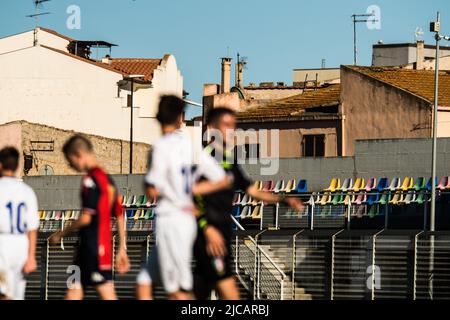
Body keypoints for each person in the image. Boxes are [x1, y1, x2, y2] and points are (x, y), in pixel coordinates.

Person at [193, 107, 304, 300]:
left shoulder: (229, 159)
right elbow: (189, 198)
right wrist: (207, 229)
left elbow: (252, 191)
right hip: (209, 238)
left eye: (233, 126)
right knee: (231, 295)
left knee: (199, 292)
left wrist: (284, 199)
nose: (231, 131)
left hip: (223, 235)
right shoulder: (202, 159)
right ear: (211, 129)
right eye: (226, 125)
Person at [136, 95, 230, 300]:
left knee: (177, 291)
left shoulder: (161, 146)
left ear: (158, 117)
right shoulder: (190, 145)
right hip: (184, 219)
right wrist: (190, 190)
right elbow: (222, 179)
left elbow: (152, 190)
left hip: (171, 219)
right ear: (181, 117)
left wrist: (178, 193)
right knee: (144, 281)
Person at [48, 135, 130, 300]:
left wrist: (61, 233)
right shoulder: (108, 180)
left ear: (78, 154)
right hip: (87, 250)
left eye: (70, 161)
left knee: (106, 293)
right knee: (73, 291)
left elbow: (86, 218)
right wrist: (122, 247)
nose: (71, 166)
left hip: (94, 249)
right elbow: (120, 214)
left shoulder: (90, 180)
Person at [0, 147, 39, 300]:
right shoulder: (27, 191)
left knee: (3, 293)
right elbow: (32, 228)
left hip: (2, 243)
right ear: (17, 166)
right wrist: (31, 257)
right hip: (21, 246)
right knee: (17, 295)